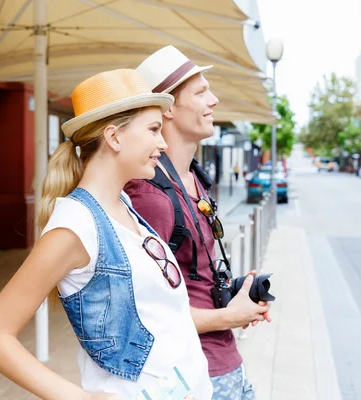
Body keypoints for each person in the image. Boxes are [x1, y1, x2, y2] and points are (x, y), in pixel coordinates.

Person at [0, 69, 213, 400]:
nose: (163, 142)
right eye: (154, 130)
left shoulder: (124, 205)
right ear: (114, 137)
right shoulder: (75, 225)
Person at [124, 46, 271, 400]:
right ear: (169, 108)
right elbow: (141, 314)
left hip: (225, 365)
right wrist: (229, 317)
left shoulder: (195, 179)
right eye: (202, 92)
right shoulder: (150, 196)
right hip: (193, 378)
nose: (214, 100)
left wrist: (235, 298)